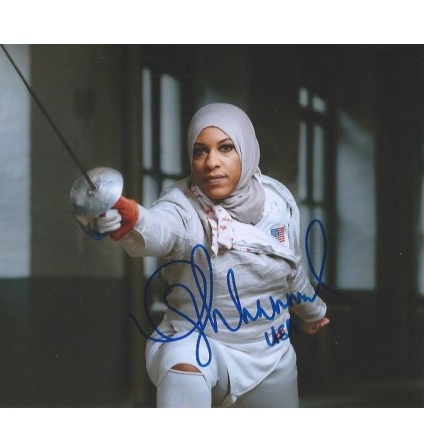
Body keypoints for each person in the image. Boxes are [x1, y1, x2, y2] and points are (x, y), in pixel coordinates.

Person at [82, 103, 329, 408]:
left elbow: (291, 267)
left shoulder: (277, 201)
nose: (211, 162)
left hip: (270, 352)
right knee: (184, 366)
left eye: (226, 148)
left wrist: (312, 311)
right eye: (200, 151)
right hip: (199, 340)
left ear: (246, 149)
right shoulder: (182, 205)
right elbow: (160, 229)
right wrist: (132, 219)